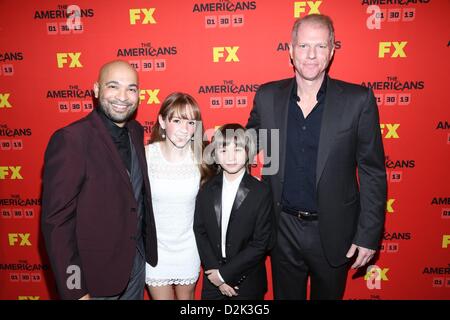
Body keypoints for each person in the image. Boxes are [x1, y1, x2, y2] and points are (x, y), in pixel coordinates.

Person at [246, 14, 387, 299]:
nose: (311, 55)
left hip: (334, 230)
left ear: (332, 50)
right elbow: (245, 145)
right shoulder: (268, 96)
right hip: (281, 229)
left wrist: (369, 235)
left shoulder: (358, 101)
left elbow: (372, 171)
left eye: (321, 47)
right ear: (291, 50)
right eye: (304, 46)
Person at [41, 60, 157, 300]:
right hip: (94, 280)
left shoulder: (135, 131)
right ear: (96, 89)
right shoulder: (72, 140)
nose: (122, 97)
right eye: (113, 86)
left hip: (135, 267)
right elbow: (57, 224)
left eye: (131, 89)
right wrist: (75, 289)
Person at [194, 123, 274, 300]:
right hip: (212, 282)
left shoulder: (261, 192)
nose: (230, 157)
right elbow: (200, 232)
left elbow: (260, 243)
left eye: (237, 149)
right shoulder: (206, 190)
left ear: (248, 152)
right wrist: (217, 277)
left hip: (248, 283)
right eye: (223, 150)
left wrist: (224, 275)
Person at [145, 92, 212, 300]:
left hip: (188, 248)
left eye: (191, 122)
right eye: (177, 121)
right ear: (162, 121)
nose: (185, 130)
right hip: (155, 250)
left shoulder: (203, 157)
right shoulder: (145, 155)